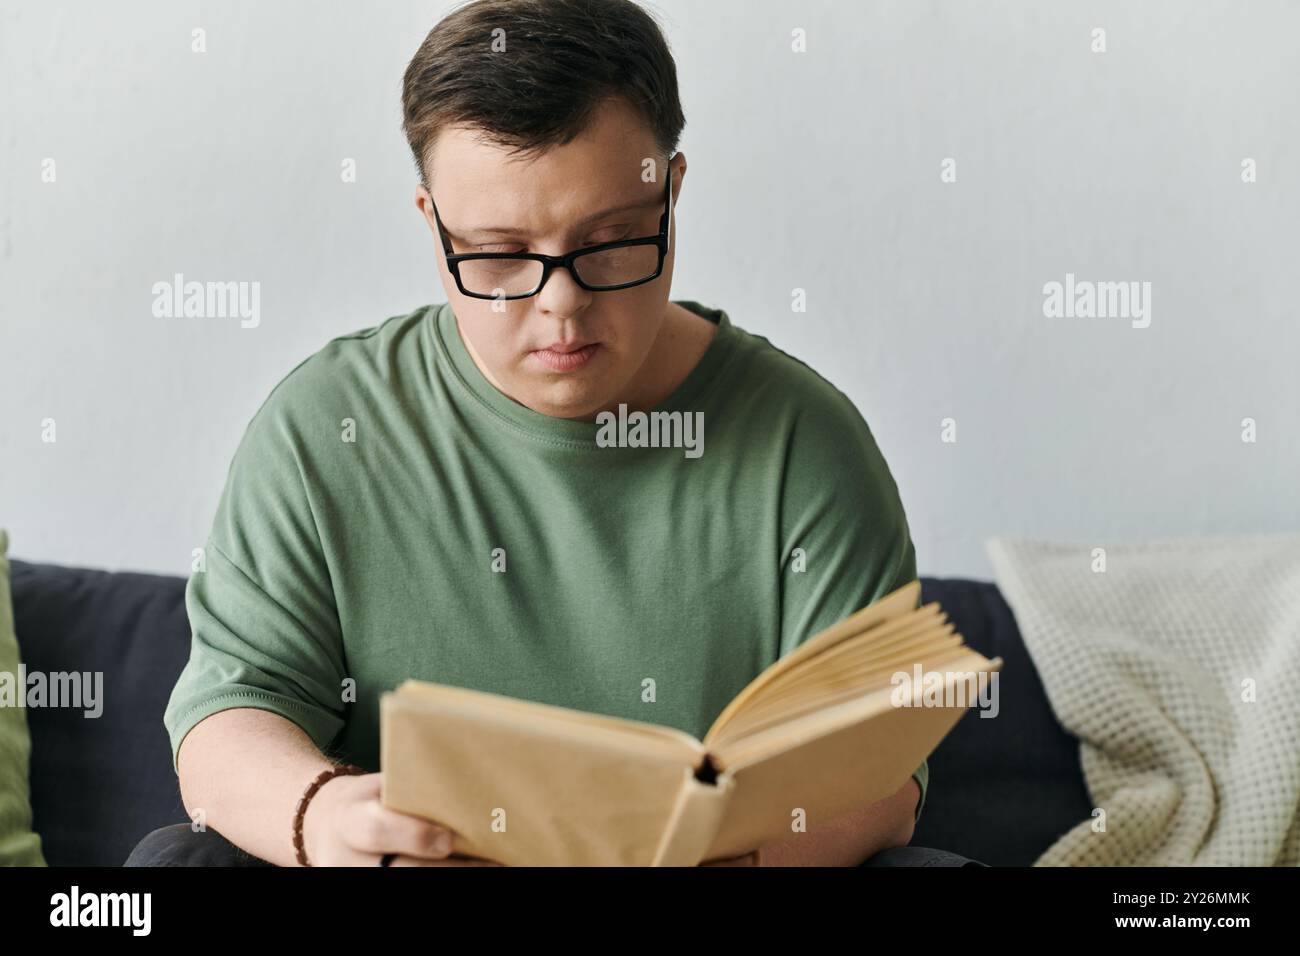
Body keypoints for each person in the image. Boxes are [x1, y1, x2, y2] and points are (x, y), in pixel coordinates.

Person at [131, 0, 975, 868]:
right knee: (180, 863)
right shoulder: (324, 429)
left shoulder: (806, 443)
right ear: (431, 225)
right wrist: (327, 819)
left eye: (610, 244)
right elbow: (230, 715)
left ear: (671, 192)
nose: (560, 306)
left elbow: (878, 780)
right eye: (498, 255)